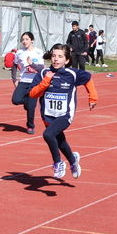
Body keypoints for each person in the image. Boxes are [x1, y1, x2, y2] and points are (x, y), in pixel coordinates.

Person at [28, 43, 98, 179]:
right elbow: (32, 94)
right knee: (60, 141)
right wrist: (46, 81)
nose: (56, 59)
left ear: (66, 60)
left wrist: (93, 97)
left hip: (65, 115)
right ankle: (73, 161)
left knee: (48, 134)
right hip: (48, 116)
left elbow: (88, 79)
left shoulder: (72, 74)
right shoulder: (43, 73)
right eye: (54, 56)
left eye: (60, 57)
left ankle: (58, 162)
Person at [11, 32, 44, 134]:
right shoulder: (19, 53)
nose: (24, 41)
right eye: (23, 39)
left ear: (32, 40)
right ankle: (26, 101)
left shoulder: (38, 52)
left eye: (26, 39)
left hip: (35, 83)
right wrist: (14, 80)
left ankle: (30, 126)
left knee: (31, 107)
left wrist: (32, 64)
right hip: (23, 81)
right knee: (15, 100)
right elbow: (14, 65)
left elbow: (41, 68)